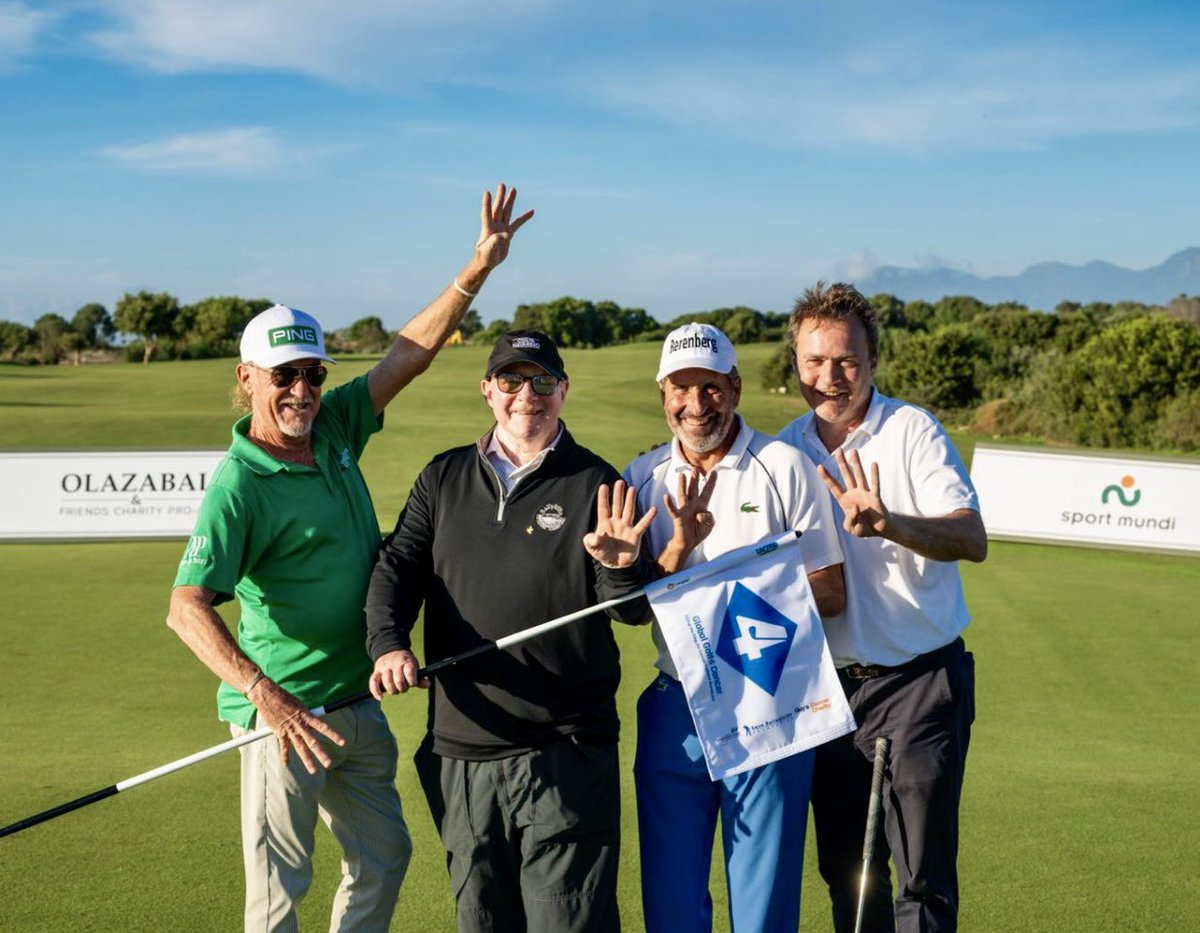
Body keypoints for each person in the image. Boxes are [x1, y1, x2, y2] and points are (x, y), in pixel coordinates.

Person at [166, 184, 533, 932]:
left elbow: (409, 354)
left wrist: (477, 269)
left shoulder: (333, 425)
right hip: (286, 716)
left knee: (385, 855)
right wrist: (267, 699)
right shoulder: (239, 484)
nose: (302, 389)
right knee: (278, 892)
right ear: (247, 379)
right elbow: (186, 606)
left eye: (312, 374)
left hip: (356, 699)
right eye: (284, 376)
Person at [363, 329, 657, 933]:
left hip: (564, 752)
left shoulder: (597, 482)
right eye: (512, 380)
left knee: (569, 923)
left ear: (564, 391)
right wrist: (389, 643)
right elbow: (398, 568)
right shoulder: (443, 478)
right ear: (488, 391)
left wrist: (623, 567)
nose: (529, 394)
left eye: (543, 381)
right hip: (461, 752)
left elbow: (627, 613)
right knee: (484, 921)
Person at [777, 282, 988, 933]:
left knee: (922, 880)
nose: (830, 376)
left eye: (846, 360)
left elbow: (969, 537)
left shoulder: (911, 429)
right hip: (830, 695)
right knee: (850, 876)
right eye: (814, 361)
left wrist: (889, 522)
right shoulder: (783, 450)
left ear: (872, 360)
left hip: (919, 681)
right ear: (795, 364)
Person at [622, 322, 846, 933]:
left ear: (736, 387)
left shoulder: (785, 466)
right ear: (663, 392)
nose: (697, 406)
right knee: (670, 905)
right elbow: (631, 607)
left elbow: (830, 590)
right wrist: (677, 555)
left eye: (712, 388)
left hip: (769, 699)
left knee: (764, 908)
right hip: (675, 704)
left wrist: (727, 589)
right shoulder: (640, 479)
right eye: (682, 388)